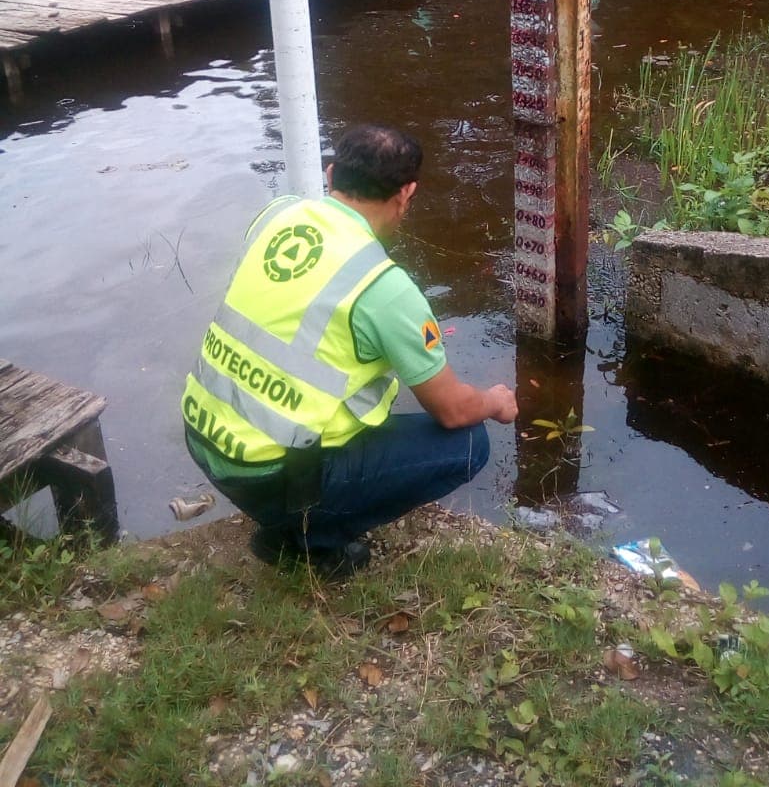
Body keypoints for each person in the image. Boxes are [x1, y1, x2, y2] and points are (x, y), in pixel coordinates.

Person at [182, 123, 518, 573]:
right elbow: (452, 410)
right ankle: (308, 540)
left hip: (204, 439)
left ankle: (290, 518)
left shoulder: (277, 216)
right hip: (269, 477)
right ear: (406, 194)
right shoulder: (385, 287)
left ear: (330, 173)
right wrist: (495, 401)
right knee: (469, 443)